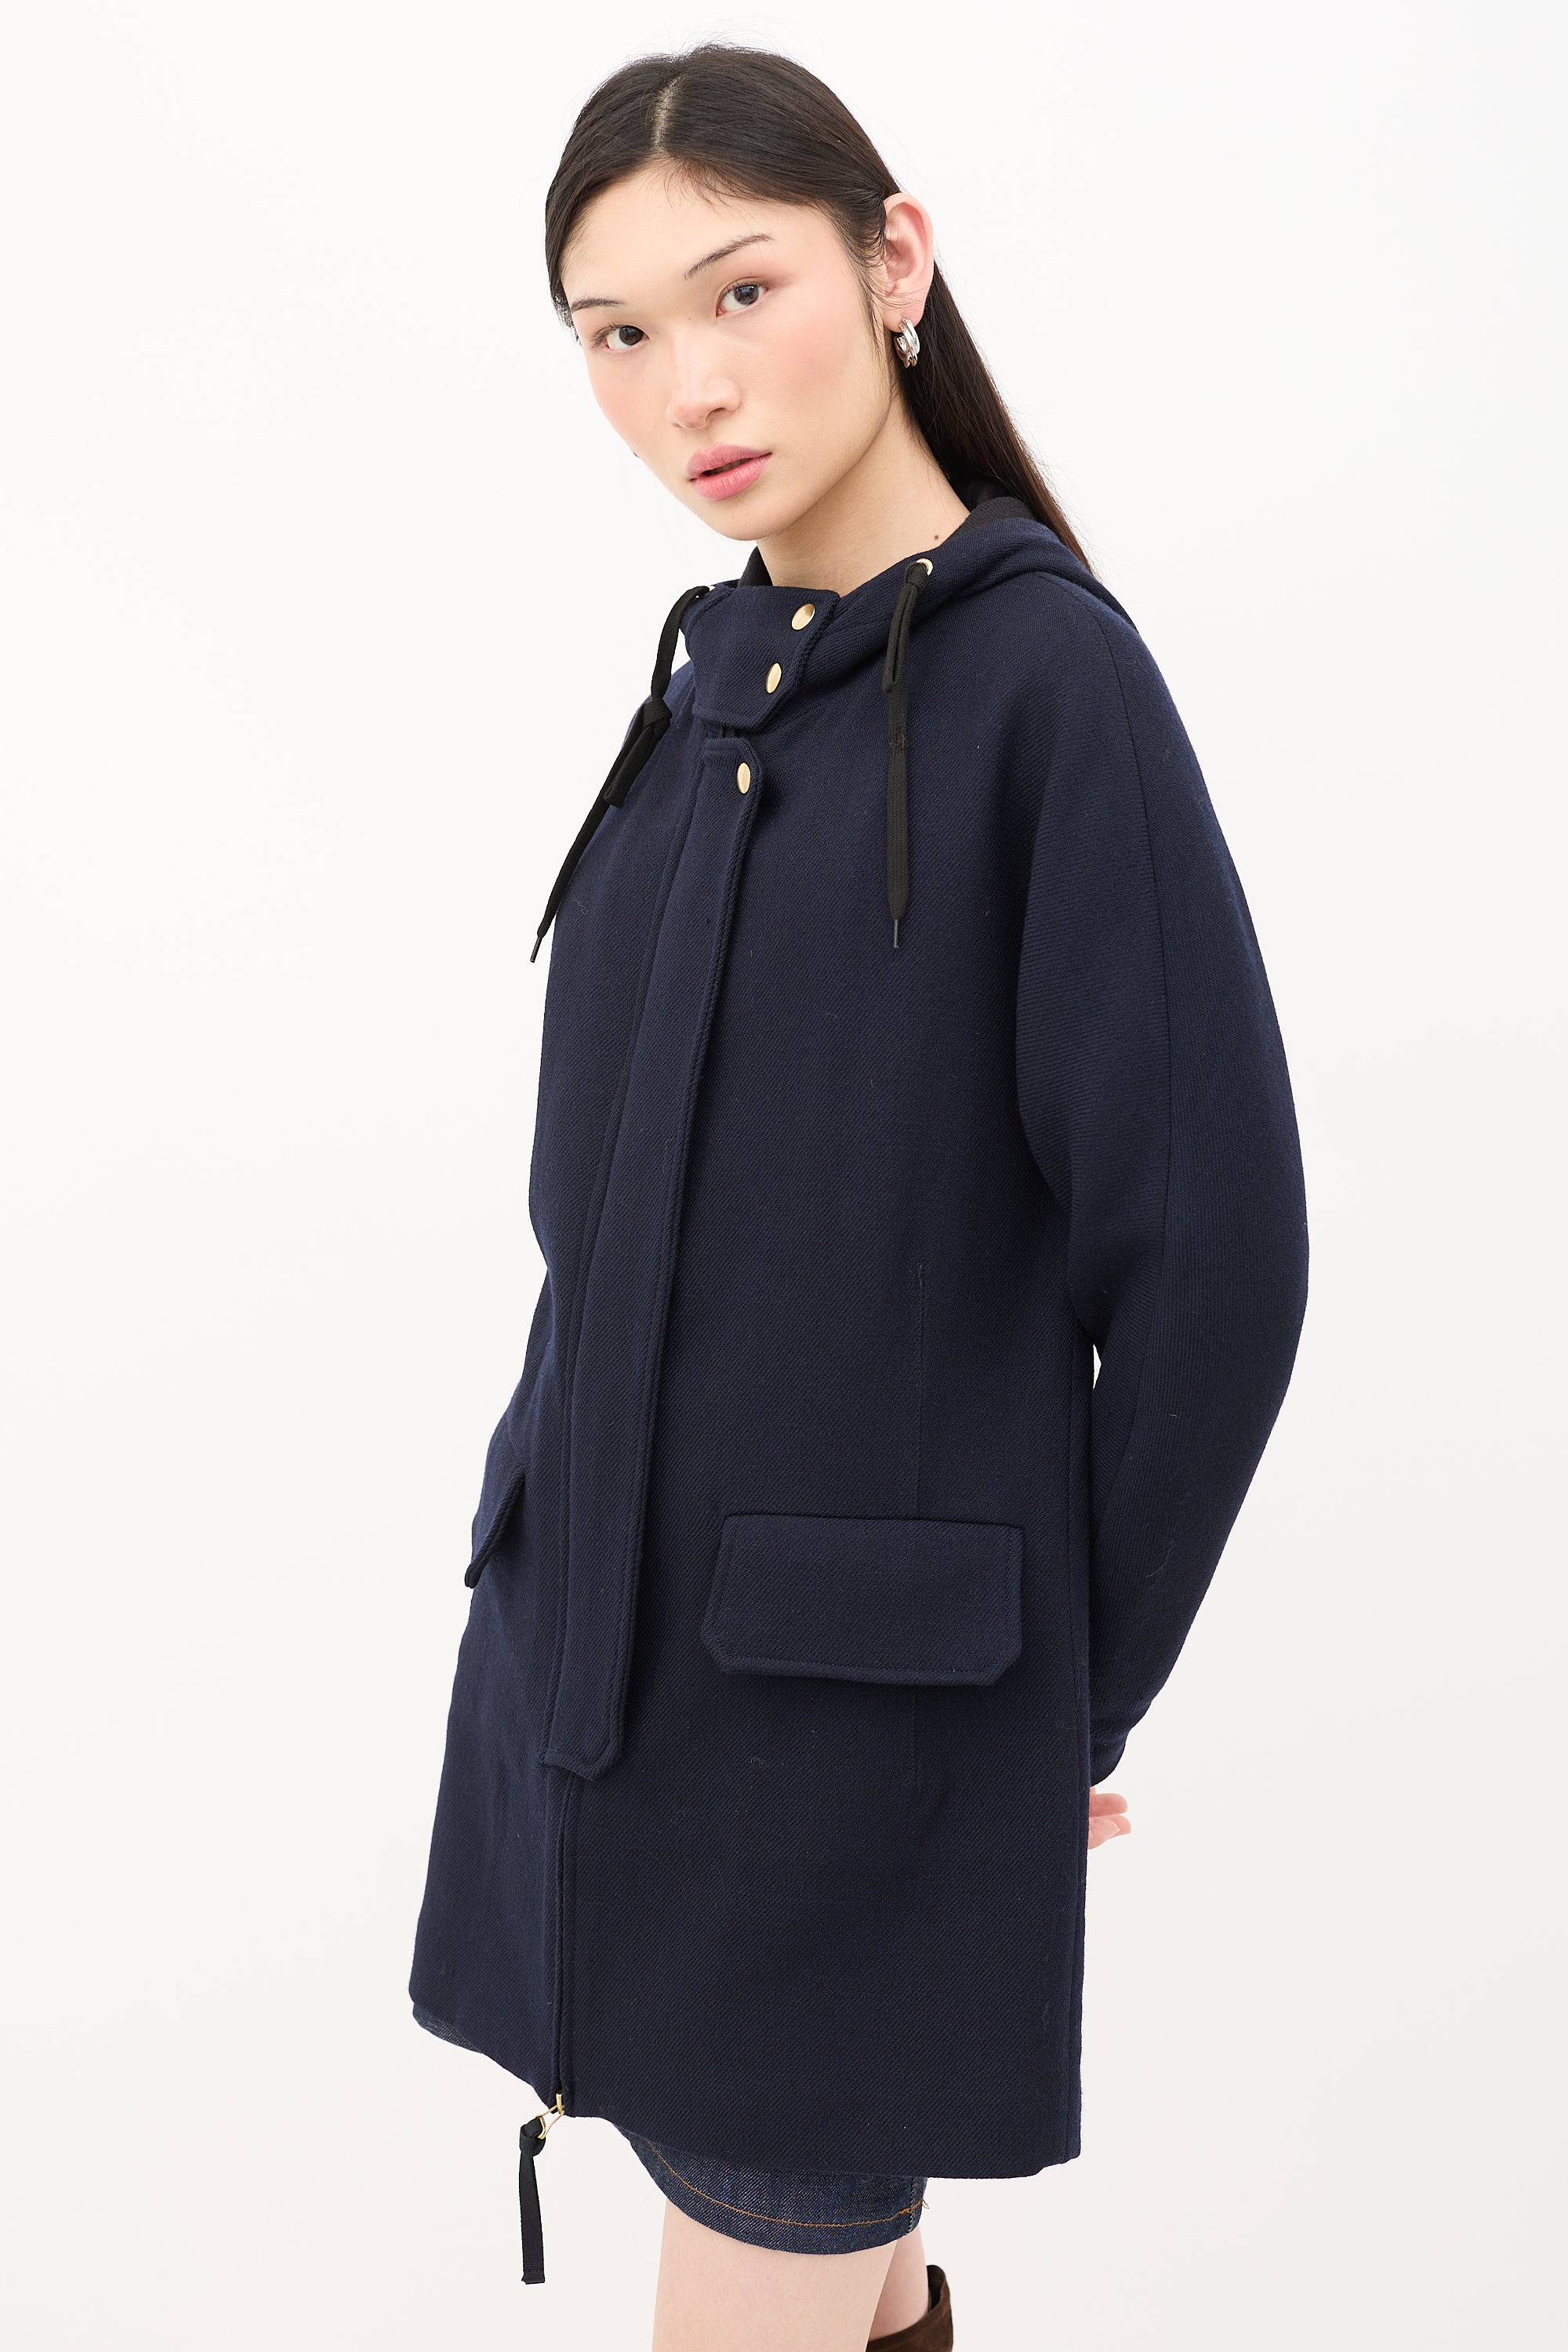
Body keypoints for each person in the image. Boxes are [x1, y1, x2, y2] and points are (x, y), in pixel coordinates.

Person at [408, 40, 1308, 2352]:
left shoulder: (1046, 693)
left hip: (848, 1758)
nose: (686, 387)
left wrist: (1068, 1696)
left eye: (741, 292)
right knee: (847, 2287)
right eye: (617, 333)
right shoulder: (705, 699)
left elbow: (1215, 1264)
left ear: (894, 259)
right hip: (606, 1702)